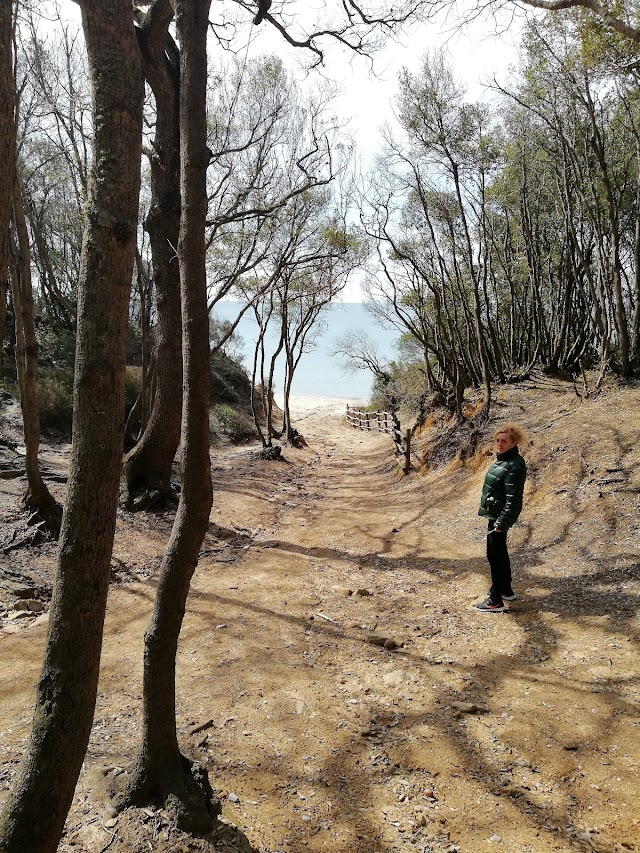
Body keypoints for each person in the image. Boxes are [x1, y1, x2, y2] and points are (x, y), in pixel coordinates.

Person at [475, 423, 527, 613]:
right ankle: (506, 589)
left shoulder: (514, 464)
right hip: (495, 515)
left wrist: (501, 524)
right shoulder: (504, 460)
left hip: (499, 518)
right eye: (497, 440)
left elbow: (514, 500)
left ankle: (495, 600)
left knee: (495, 557)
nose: (499, 443)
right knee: (498, 554)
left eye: (504, 441)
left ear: (514, 443)